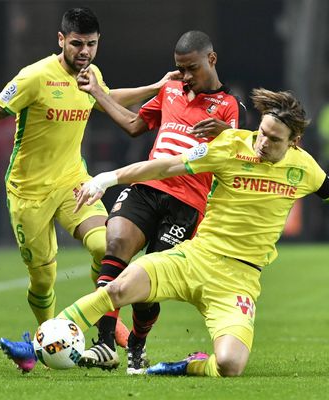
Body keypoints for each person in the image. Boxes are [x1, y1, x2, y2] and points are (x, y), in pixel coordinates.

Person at [0, 88, 329, 377]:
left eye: (273, 140)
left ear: (295, 141)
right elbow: (165, 166)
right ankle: (42, 343)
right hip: (195, 258)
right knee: (121, 284)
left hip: (239, 278)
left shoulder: (304, 168)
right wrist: (108, 178)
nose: (261, 144)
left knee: (232, 365)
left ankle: (184, 366)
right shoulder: (231, 145)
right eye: (261, 133)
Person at [0, 7, 175, 371]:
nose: (85, 51)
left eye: (92, 44)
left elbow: (106, 94)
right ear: (61, 40)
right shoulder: (34, 77)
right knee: (43, 278)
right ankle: (47, 338)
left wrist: (155, 87)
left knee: (106, 246)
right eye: (77, 44)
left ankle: (106, 331)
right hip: (29, 191)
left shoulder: (91, 74)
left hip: (73, 182)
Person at [74, 30, 245, 373]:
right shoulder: (170, 90)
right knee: (117, 242)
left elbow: (240, 154)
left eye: (191, 68)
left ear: (211, 60)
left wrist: (226, 135)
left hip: (186, 203)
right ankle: (106, 342)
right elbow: (135, 125)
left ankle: (136, 341)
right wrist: (96, 93)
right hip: (147, 185)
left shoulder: (229, 107)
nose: (185, 76)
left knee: (148, 280)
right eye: (180, 69)